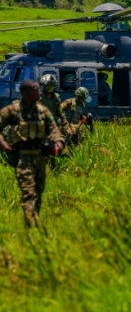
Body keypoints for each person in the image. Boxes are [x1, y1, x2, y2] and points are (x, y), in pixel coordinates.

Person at [0, 80, 64, 227]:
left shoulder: (43, 111)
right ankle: (31, 221)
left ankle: (35, 220)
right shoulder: (13, 110)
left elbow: (53, 129)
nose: (39, 92)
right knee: (28, 191)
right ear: (26, 93)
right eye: (35, 90)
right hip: (23, 157)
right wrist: (3, 144)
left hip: (40, 157)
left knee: (39, 191)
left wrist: (59, 141)